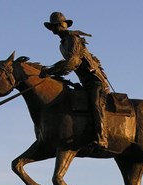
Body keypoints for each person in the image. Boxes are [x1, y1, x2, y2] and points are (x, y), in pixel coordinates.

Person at [41, 11, 111, 149]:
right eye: (51, 27)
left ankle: (102, 136)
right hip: (84, 82)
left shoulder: (73, 39)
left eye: (55, 26)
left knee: (95, 104)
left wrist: (52, 71)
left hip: (95, 80)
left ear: (62, 25)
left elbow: (73, 61)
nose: (53, 30)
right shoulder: (62, 45)